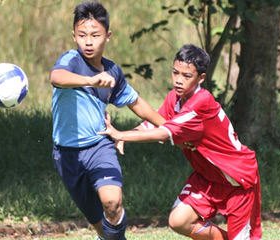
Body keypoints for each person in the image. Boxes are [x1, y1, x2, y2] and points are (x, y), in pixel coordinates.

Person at [99, 44, 262, 240]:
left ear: (201, 78)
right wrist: (127, 135)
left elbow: (163, 133)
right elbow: (153, 124)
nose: (178, 80)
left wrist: (120, 135)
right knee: (178, 221)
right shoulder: (175, 98)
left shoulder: (201, 103)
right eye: (175, 73)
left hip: (237, 179)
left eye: (186, 76)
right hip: (207, 177)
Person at [49, 2, 165, 240]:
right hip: (66, 155)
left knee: (112, 203)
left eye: (95, 35)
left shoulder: (113, 72)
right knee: (104, 228)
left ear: (108, 36)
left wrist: (168, 127)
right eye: (82, 35)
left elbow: (137, 103)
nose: (88, 42)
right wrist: (90, 80)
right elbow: (56, 77)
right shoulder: (71, 61)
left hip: (100, 145)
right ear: (74, 36)